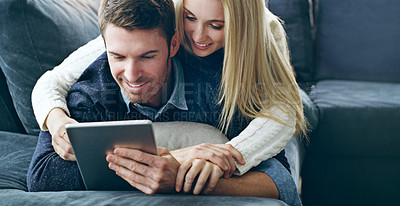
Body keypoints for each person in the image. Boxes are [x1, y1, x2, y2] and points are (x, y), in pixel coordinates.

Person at [29, 0, 305, 205]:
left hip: (275, 88)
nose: (197, 36)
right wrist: (178, 160)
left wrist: (221, 161)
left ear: (172, 46)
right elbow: (51, 82)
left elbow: (284, 115)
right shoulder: (100, 77)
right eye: (191, 19)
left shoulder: (230, 79)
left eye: (216, 25)